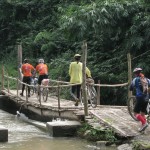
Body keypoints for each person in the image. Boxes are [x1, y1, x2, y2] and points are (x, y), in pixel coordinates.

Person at [130, 67, 150, 132]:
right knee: (143, 113)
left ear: (135, 73)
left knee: (135, 113)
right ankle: (143, 126)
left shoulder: (135, 80)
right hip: (147, 98)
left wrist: (132, 88)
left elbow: (131, 88)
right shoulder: (147, 79)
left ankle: (144, 123)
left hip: (140, 97)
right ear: (140, 72)